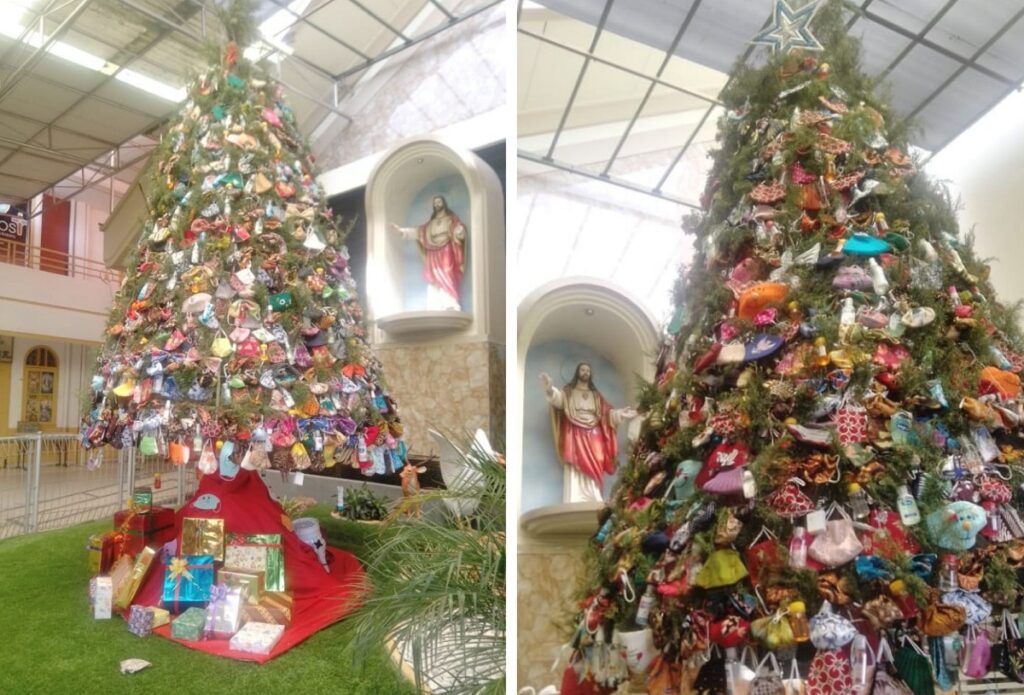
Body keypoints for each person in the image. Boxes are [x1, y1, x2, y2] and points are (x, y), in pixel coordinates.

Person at [540, 363, 637, 503]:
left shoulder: (596, 396)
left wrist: (620, 414)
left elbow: (607, 413)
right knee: (575, 460)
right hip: (574, 431)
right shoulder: (568, 392)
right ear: (577, 372)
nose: (585, 372)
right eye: (582, 370)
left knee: (597, 459)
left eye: (588, 370)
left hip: (594, 433)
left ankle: (593, 493)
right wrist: (550, 389)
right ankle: (574, 495)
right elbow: (559, 401)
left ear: (590, 374)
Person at [389, 195, 467, 311]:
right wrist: (401, 231)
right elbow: (417, 232)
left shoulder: (451, 219)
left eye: (439, 202)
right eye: (435, 203)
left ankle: (450, 302)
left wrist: (459, 232)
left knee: (447, 274)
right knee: (434, 277)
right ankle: (435, 304)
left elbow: (458, 228)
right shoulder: (429, 225)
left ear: (443, 203)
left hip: (446, 249)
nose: (437, 204)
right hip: (432, 252)